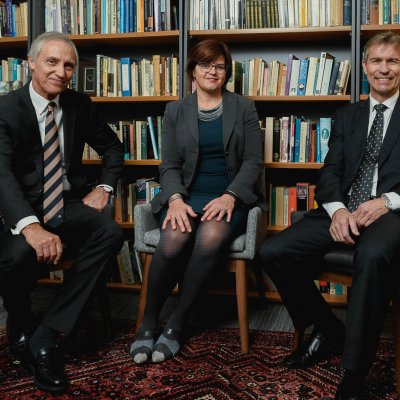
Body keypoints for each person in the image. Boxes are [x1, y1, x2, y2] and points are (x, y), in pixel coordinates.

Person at [256, 31, 400, 400]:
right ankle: (327, 328)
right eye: (377, 61)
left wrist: (388, 201)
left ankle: (354, 372)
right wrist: (336, 211)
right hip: (342, 209)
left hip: (390, 214)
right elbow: (330, 172)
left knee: (371, 255)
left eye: (393, 61)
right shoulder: (346, 115)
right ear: (365, 67)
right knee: (274, 252)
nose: (384, 69)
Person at [0, 31, 124, 393]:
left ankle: (45, 334)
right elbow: (2, 175)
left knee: (110, 232)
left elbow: (114, 150)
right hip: (15, 210)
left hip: (64, 204)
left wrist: (104, 188)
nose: (61, 71)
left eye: (68, 64)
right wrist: (30, 226)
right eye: (52, 61)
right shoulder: (6, 109)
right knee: (18, 254)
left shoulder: (78, 105)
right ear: (32, 64)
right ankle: (19, 330)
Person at [130, 39, 266, 364]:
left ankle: (177, 323)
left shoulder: (243, 108)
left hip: (229, 196)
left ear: (226, 72)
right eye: (205, 65)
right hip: (188, 196)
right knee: (174, 236)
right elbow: (169, 165)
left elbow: (253, 162)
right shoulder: (175, 110)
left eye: (219, 66)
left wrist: (231, 195)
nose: (212, 71)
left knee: (212, 235)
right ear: (193, 69)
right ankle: (149, 322)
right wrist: (175, 198)